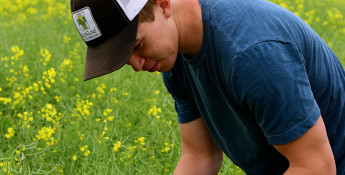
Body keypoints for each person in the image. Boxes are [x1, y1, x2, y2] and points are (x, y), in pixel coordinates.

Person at [70, 0, 345, 174]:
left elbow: (316, 167)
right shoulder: (175, 57)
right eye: (123, 59)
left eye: (137, 45)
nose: (137, 64)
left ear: (163, 4)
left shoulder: (250, 54)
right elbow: (200, 156)